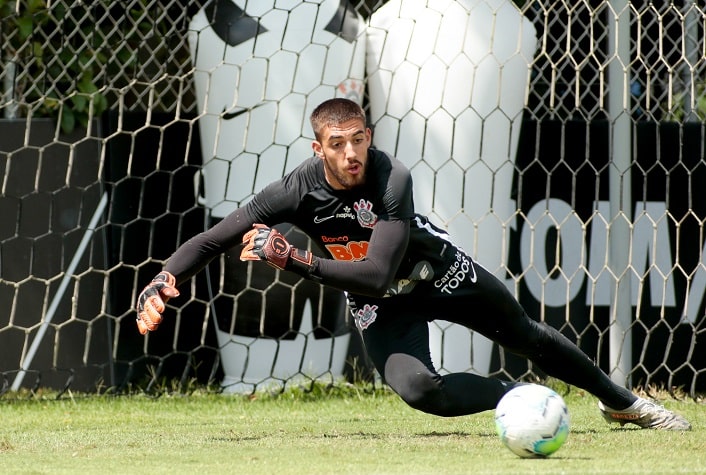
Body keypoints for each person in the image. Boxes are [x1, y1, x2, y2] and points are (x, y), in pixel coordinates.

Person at [136, 98, 690, 431]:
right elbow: (213, 239)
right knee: (423, 392)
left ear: (368, 138)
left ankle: (624, 404)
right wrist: (162, 280)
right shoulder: (292, 192)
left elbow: (378, 269)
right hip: (380, 306)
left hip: (439, 274)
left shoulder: (391, 177)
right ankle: (524, 403)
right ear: (317, 149)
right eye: (337, 144)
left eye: (358, 140)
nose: (351, 153)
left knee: (525, 334)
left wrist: (297, 260)